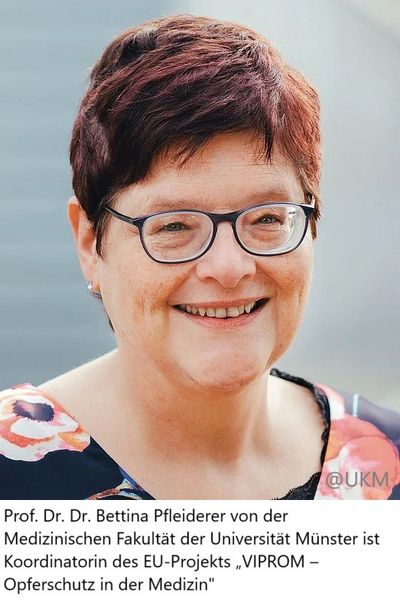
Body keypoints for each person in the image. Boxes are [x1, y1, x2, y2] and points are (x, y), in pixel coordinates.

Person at [0, 14, 399, 500]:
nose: (229, 267)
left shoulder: (387, 464)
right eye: (174, 226)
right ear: (90, 243)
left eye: (267, 218)